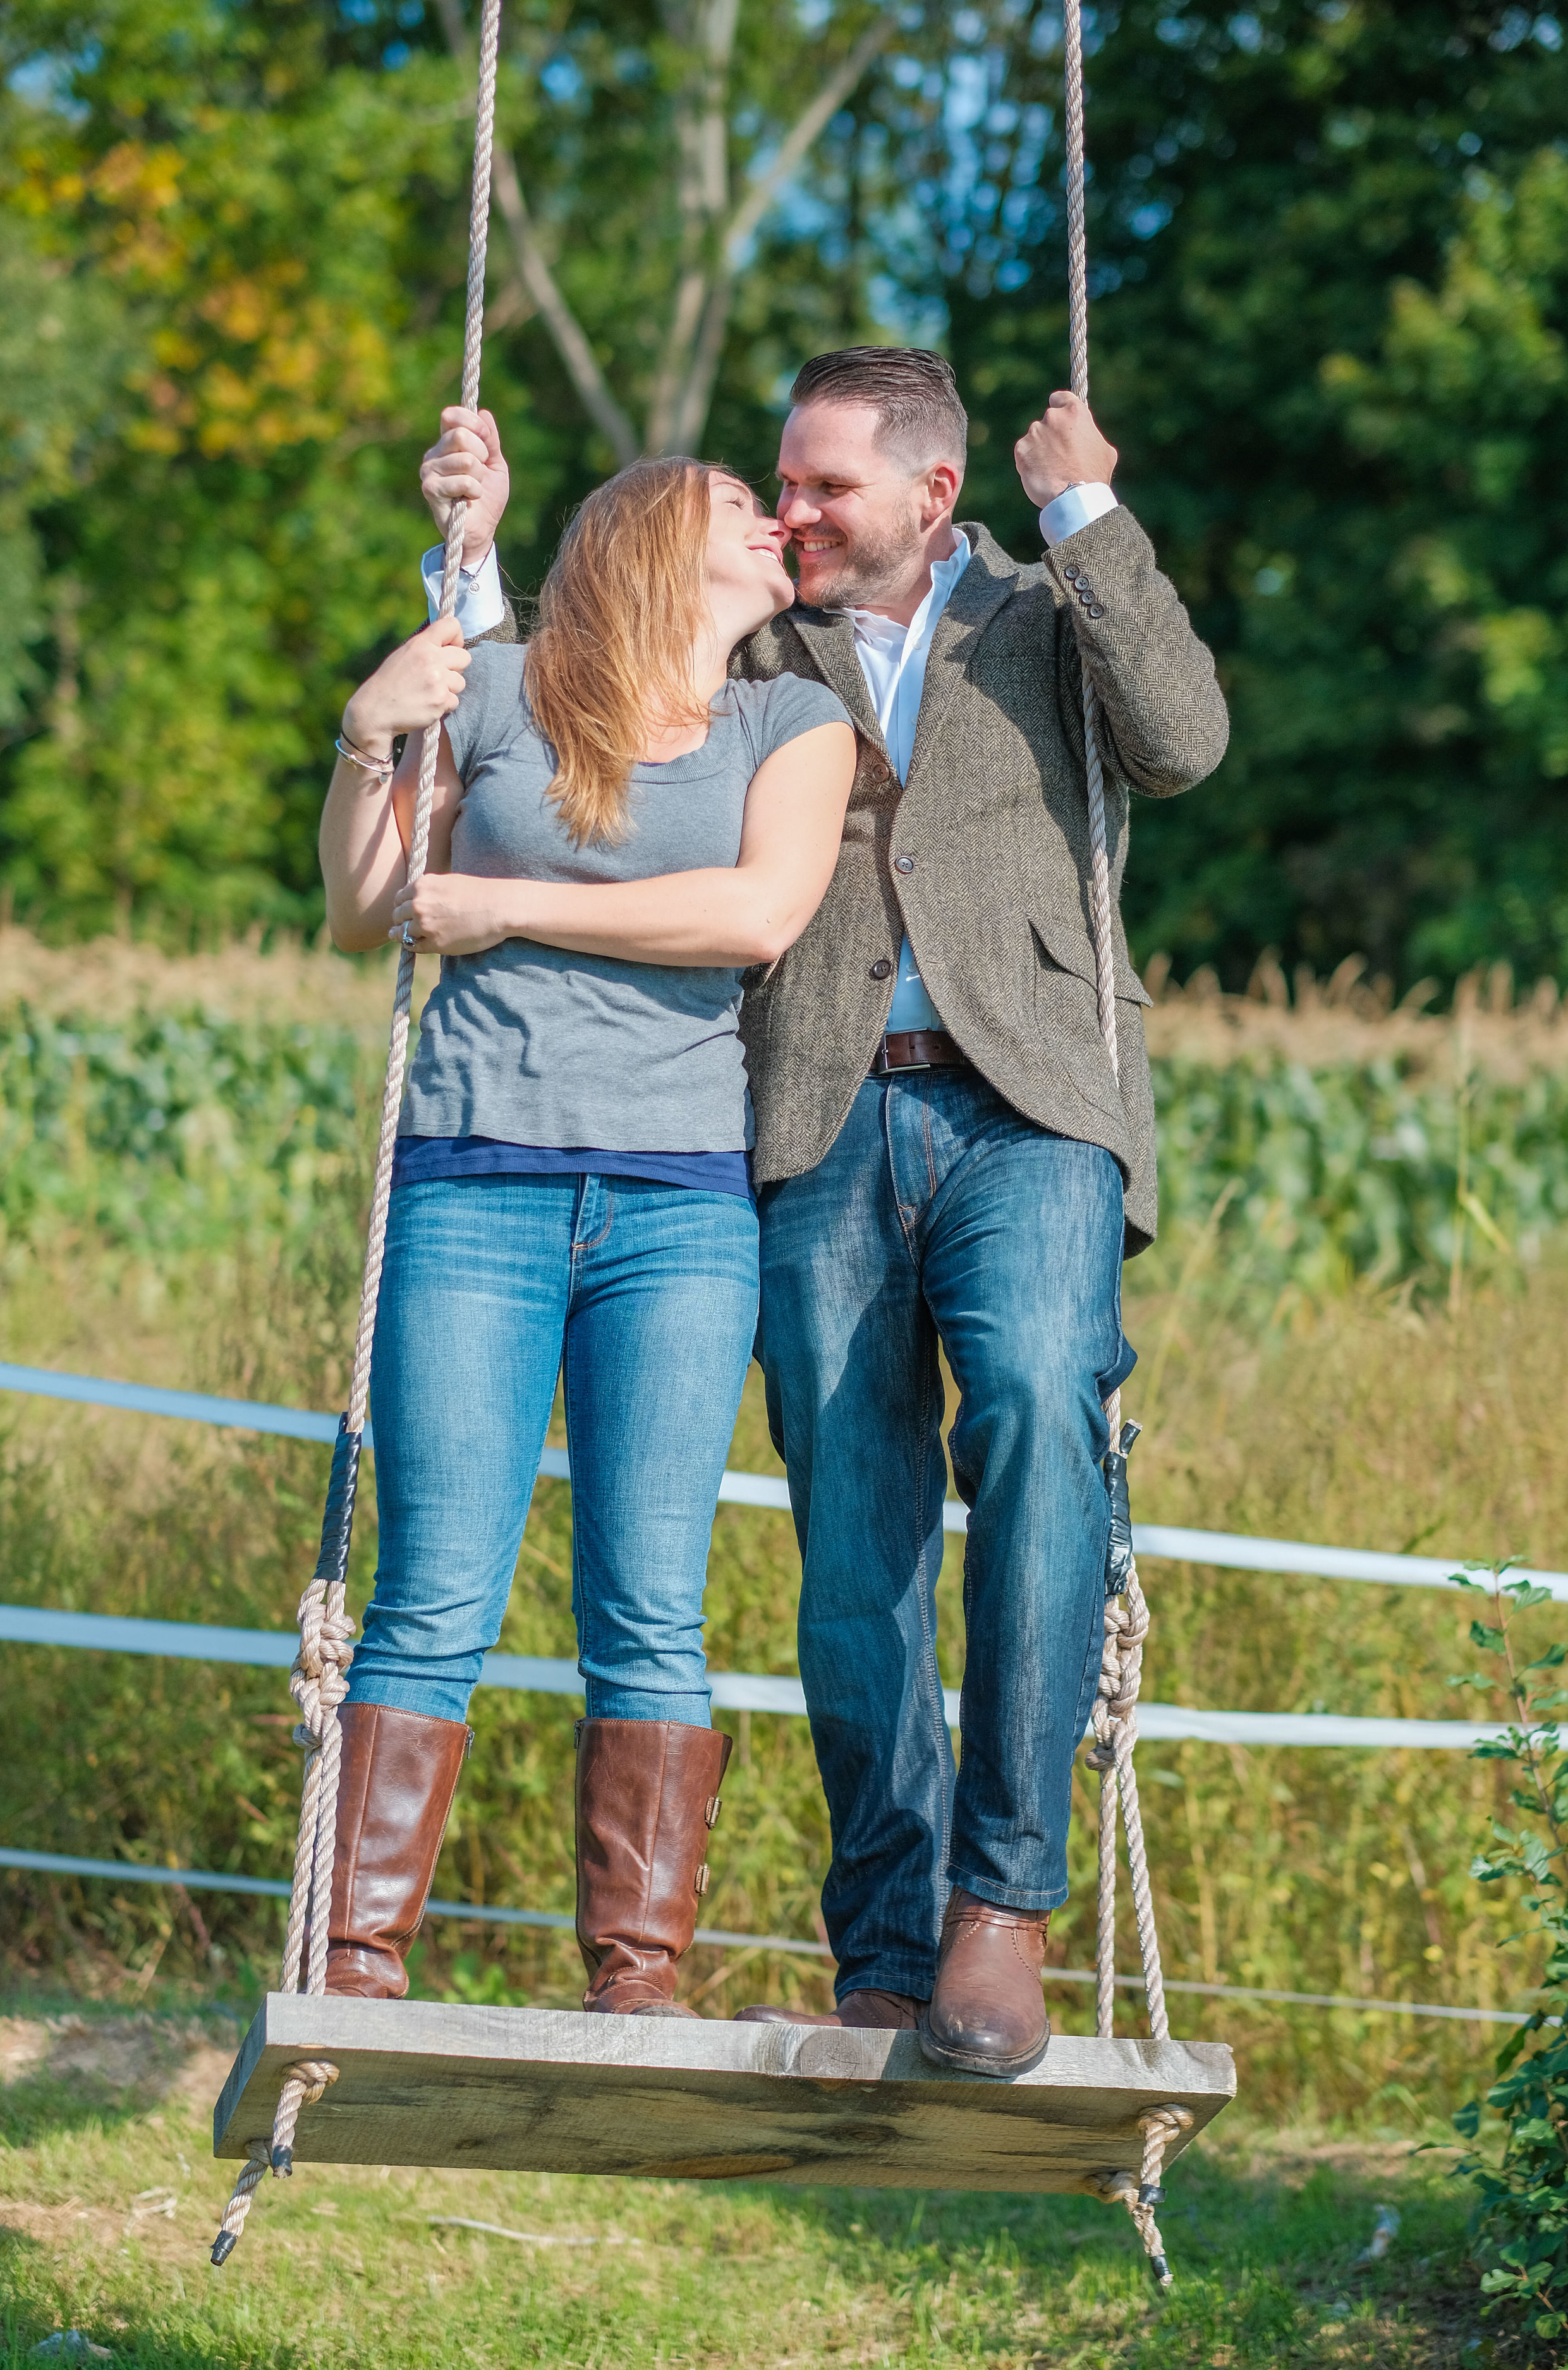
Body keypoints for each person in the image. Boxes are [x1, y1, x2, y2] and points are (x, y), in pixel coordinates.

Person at [416, 346, 1228, 2073]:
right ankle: (881, 1946)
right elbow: (567, 677)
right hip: (815, 1108)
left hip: (1026, 1107)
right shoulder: (760, 640)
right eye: (775, 486)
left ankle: (995, 1909)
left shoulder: (1044, 608)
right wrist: (472, 556)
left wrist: (1086, 505)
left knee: (1029, 1412)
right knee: (850, 1535)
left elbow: (1183, 737)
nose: (786, 513)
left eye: (820, 488)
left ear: (931, 494)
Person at [317, 457, 856, 2016]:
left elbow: (754, 918)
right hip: (471, 1185)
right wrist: (369, 735)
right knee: (432, 1595)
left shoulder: (789, 723)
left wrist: (513, 907)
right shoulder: (492, 694)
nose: (773, 515)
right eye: (735, 497)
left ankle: (635, 1978)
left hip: (676, 1208)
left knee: (649, 1605)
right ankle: (353, 1961)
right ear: (642, 544)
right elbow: (368, 907)